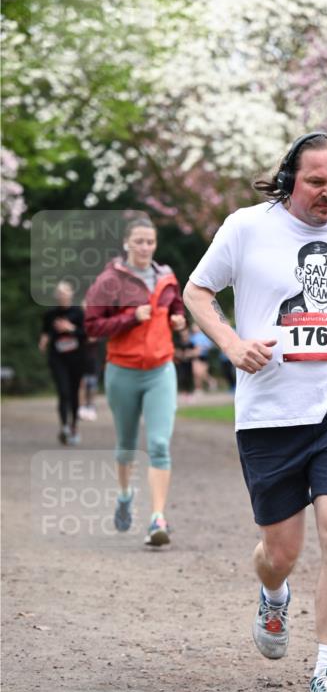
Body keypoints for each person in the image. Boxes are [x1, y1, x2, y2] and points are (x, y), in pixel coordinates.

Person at [183, 131, 327, 692]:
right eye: (317, 182)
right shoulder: (246, 228)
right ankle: (273, 593)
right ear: (289, 179)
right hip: (270, 413)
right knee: (281, 552)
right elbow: (197, 291)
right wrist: (230, 343)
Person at [84, 216, 186, 546]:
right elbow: (92, 326)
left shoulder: (167, 277)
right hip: (123, 372)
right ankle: (125, 495)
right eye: (139, 241)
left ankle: (158, 518)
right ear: (127, 243)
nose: (145, 247)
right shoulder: (109, 280)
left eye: (150, 241)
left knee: (158, 444)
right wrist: (130, 318)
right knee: (127, 445)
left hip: (160, 369)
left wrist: (178, 320)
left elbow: (177, 307)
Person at [39, 280, 86, 444]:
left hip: (77, 358)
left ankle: (74, 426)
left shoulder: (79, 313)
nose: (62, 295)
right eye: (59, 292)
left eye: (65, 292)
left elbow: (88, 335)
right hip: (57, 358)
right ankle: (64, 425)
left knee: (74, 394)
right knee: (63, 391)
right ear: (56, 296)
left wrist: (70, 328)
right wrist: (43, 342)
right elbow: (45, 332)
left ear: (71, 294)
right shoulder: (50, 315)